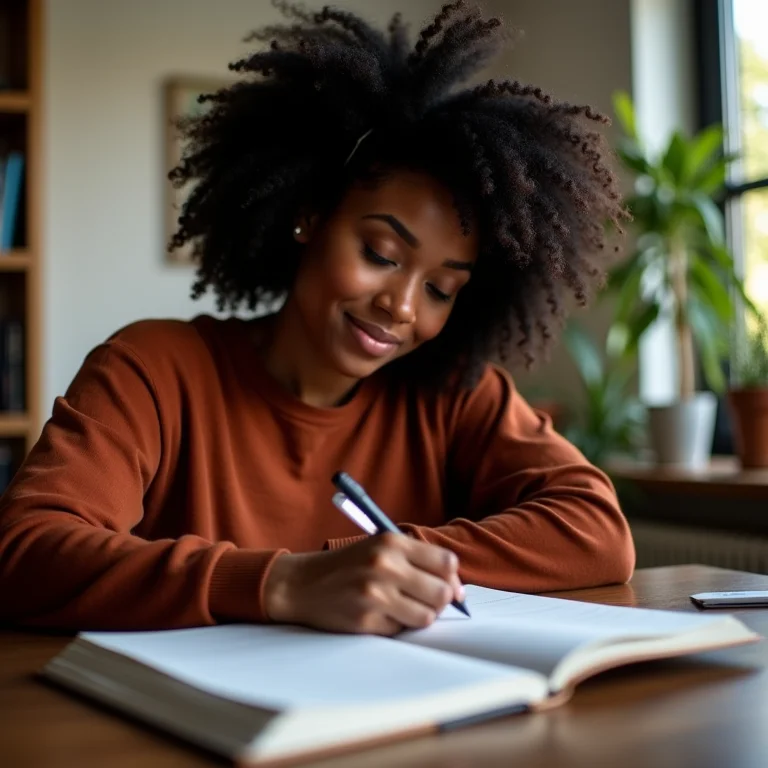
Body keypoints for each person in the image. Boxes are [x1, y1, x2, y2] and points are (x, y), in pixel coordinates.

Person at [0, 0, 634, 636]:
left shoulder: (454, 395)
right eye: (380, 254)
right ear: (309, 217)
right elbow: (24, 551)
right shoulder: (153, 370)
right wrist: (281, 581)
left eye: (441, 289)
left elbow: (596, 530)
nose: (402, 307)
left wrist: (394, 563)